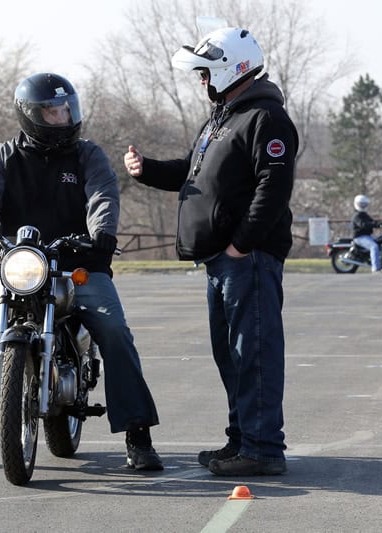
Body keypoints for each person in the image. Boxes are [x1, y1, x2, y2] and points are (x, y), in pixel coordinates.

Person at [0, 73, 163, 472]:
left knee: (114, 331)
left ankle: (137, 433)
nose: (62, 118)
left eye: (66, 110)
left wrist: (103, 232)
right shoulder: (6, 156)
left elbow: (102, 195)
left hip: (79, 265)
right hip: (21, 266)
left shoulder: (88, 155)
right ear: (30, 115)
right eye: (53, 112)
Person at [123, 26, 296, 476]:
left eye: (205, 73)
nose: (201, 82)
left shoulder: (265, 118)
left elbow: (273, 188)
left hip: (247, 260)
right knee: (232, 354)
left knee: (253, 352)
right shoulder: (223, 118)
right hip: (222, 261)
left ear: (229, 68)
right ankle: (242, 440)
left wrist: (243, 244)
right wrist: (147, 172)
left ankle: (261, 450)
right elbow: (191, 173)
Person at [351, 194, 382, 273]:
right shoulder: (357, 216)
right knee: (374, 247)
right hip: (359, 237)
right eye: (362, 204)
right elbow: (363, 224)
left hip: (367, 236)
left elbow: (372, 222)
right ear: (357, 204)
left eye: (365, 204)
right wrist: (372, 224)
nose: (363, 206)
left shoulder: (364, 214)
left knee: (381, 243)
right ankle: (375, 268)